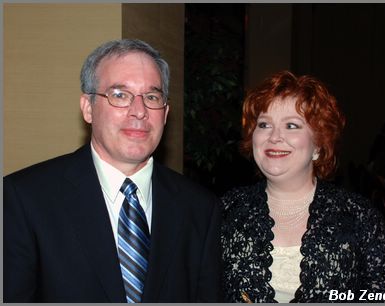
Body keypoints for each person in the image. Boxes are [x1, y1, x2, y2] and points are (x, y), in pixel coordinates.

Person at [4, 39, 222, 303]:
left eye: (152, 97)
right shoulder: (24, 199)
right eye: (120, 95)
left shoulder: (200, 208)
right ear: (88, 108)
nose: (139, 111)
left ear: (165, 114)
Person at [221, 71, 385, 303]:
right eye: (264, 124)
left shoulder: (359, 218)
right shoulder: (224, 212)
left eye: (291, 125)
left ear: (318, 145)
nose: (274, 137)